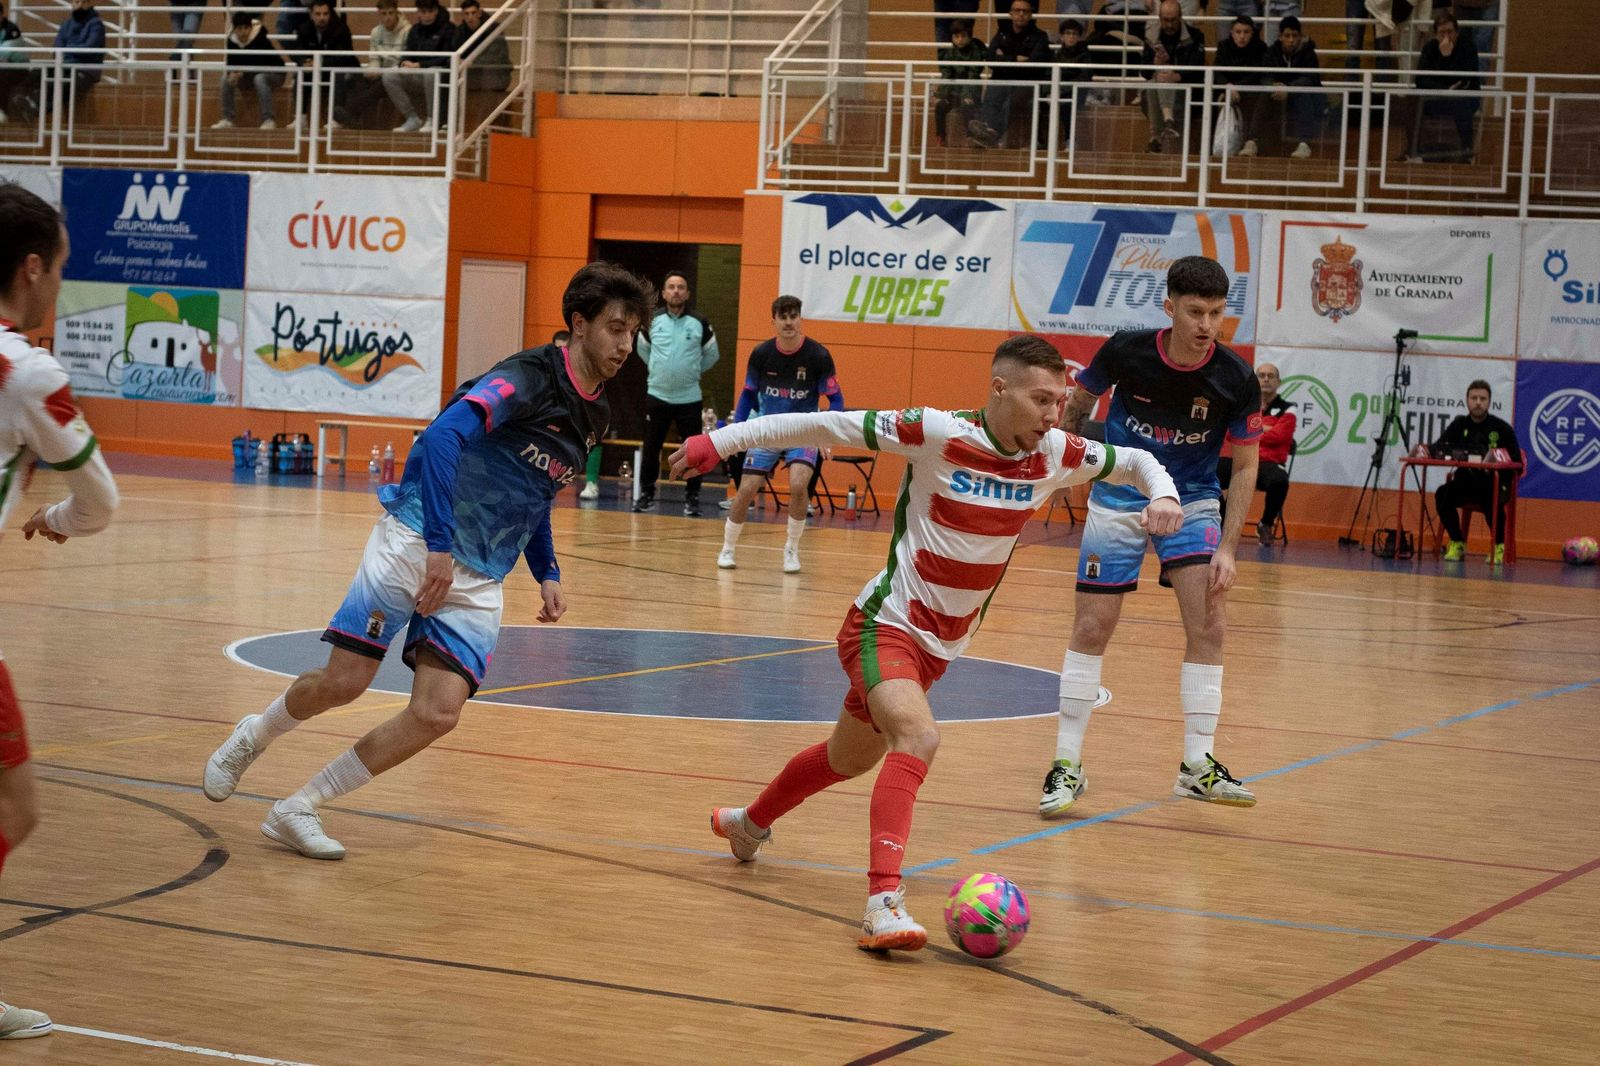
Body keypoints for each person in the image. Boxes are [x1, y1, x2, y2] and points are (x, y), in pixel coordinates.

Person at [668, 336, 1181, 951]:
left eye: (1060, 401)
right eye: (1041, 399)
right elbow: (821, 424)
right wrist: (719, 441)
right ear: (999, 390)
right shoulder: (935, 432)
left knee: (846, 759)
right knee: (918, 737)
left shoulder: (1055, 453)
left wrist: (1165, 494)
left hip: (939, 650)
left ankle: (748, 825)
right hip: (885, 625)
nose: (1054, 414)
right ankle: (882, 904)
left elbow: (1137, 461)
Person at [201, 263, 655, 859]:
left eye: (633, 333)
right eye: (616, 329)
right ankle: (254, 734)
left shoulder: (597, 413)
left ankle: (299, 807)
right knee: (344, 682)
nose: (625, 344)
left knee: (438, 713)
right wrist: (438, 546)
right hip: (418, 539)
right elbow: (442, 437)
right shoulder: (526, 378)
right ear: (579, 324)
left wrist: (546, 571)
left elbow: (535, 493)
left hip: (481, 571)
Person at [1040, 255, 1264, 819]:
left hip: (1192, 500)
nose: (1206, 324)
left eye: (1216, 313)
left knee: (1210, 624)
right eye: (1195, 312)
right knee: (1091, 627)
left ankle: (1197, 766)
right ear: (1169, 307)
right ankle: (1067, 763)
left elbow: (1245, 465)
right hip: (1120, 494)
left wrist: (1229, 547)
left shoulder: (1236, 378)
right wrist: (1063, 469)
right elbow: (1080, 403)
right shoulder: (1127, 350)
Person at [0, 183, 121, 1039]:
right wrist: (60, 519)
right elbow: (101, 501)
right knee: (15, 810)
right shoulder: (26, 371)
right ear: (33, 268)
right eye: (63, 270)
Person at [716, 295, 841, 574]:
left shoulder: (818, 356)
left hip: (804, 431)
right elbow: (748, 395)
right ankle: (727, 547)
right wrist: (738, 430)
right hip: (768, 430)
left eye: (793, 316)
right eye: (782, 317)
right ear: (773, 321)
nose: (788, 322)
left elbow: (836, 400)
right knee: (746, 489)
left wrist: (826, 435)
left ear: (800, 319)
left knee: (798, 485)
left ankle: (792, 549)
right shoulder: (761, 354)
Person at [631, 271, 720, 517]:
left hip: (689, 398)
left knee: (695, 450)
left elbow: (712, 355)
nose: (676, 291)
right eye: (671, 287)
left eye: (681, 287)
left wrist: (691, 372)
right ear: (663, 293)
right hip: (657, 395)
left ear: (687, 293)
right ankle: (646, 495)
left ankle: (692, 498)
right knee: (651, 447)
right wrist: (659, 370)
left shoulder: (699, 322)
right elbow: (643, 349)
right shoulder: (652, 321)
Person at [1428, 379, 1520, 564]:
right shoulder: (1459, 424)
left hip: (1494, 483)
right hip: (1466, 483)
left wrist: (1497, 466)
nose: (1478, 402)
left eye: (1483, 399)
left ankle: (1499, 546)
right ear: (1467, 400)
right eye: (1474, 398)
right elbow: (1438, 447)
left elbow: (1517, 463)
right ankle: (1457, 541)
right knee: (1442, 494)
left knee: (1491, 498)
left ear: (1489, 402)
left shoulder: (1502, 428)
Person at [1217, 361, 1293, 545]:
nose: (1266, 379)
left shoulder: (1288, 408)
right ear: (1255, 380)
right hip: (1242, 461)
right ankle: (1223, 522)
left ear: (1278, 382)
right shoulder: (1245, 405)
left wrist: (1251, 429)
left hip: (1268, 464)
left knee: (1280, 480)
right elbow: (1230, 433)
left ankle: (1265, 524)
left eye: (1270, 376)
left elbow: (1281, 436)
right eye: (1261, 375)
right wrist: (1266, 428)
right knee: (1210, 470)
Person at [1395, 12, 1480, 164]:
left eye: (1450, 32)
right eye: (1442, 33)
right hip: (1437, 96)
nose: (1446, 36)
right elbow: (1420, 79)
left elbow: (1466, 79)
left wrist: (1448, 56)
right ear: (1435, 34)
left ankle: (1467, 152)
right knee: (1412, 100)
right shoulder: (1430, 48)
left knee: (1462, 102)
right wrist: (1444, 89)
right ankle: (1412, 151)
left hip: (1462, 96)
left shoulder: (1467, 47)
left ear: (1457, 32)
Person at [965, 0, 1051, 149]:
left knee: (1011, 102)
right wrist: (1015, 59)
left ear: (1031, 14)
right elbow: (990, 59)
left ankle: (991, 133)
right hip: (1002, 80)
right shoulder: (1002, 34)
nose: (1021, 14)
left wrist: (1004, 59)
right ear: (1011, 13)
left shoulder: (1040, 36)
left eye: (1025, 11)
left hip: (1027, 83)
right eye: (1017, 10)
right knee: (992, 96)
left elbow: (1034, 65)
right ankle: (986, 130)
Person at [1239, 14, 1321, 159]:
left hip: (1301, 95)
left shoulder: (1309, 53)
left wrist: (1288, 88)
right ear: (1280, 37)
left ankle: (1304, 144)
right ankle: (1252, 142)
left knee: (1304, 94)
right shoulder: (1272, 52)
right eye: (1287, 36)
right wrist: (1273, 85)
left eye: (1294, 36)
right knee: (1264, 94)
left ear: (1300, 36)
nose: (1291, 40)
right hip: (1277, 96)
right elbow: (1264, 76)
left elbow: (1310, 79)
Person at [1141, 0, 1205, 155]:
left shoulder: (1195, 36)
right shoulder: (1151, 36)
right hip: (1158, 93)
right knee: (1156, 80)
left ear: (1181, 17)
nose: (1169, 25)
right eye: (1165, 20)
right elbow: (1145, 72)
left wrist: (1177, 76)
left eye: (1173, 20)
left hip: (1189, 92)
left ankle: (1156, 136)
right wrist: (1156, 64)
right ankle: (1167, 120)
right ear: (1159, 18)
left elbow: (1198, 69)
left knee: (1160, 79)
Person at [334, 0, 410, 129]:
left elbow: (404, 59)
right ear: (379, 14)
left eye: (390, 13)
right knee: (355, 78)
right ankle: (353, 118)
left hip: (399, 74)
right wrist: (373, 68)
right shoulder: (376, 32)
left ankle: (349, 111)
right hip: (381, 72)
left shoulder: (407, 31)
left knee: (384, 81)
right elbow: (374, 58)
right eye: (384, 13)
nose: (387, 17)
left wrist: (383, 72)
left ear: (397, 12)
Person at [214, 11, 286, 130]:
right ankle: (227, 119)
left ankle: (268, 119)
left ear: (250, 28)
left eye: (246, 28)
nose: (243, 32)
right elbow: (231, 63)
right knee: (225, 79)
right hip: (248, 77)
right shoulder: (231, 41)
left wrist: (242, 73)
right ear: (234, 29)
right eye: (239, 29)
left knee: (260, 78)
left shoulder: (260, 37)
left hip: (274, 74)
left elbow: (263, 64)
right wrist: (231, 74)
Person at [292, 0, 359, 129]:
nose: (322, 18)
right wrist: (304, 62)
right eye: (318, 14)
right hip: (317, 70)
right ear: (311, 15)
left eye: (325, 14)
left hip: (341, 69)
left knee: (338, 74)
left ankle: (335, 118)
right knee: (300, 73)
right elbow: (297, 52)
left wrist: (318, 63)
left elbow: (344, 56)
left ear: (330, 14)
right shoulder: (303, 29)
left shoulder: (341, 29)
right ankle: (301, 117)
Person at [395, 0, 456, 132]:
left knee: (431, 73)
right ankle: (412, 118)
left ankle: (433, 119)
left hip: (441, 76)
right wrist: (404, 63)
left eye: (430, 11)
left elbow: (446, 58)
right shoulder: (414, 30)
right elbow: (408, 52)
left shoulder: (448, 29)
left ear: (436, 11)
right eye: (423, 12)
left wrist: (420, 65)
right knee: (389, 76)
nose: (427, 15)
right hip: (418, 74)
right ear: (418, 12)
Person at [1213, 14, 1264, 150]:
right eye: (1238, 32)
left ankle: (1250, 142)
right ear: (1232, 32)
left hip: (1249, 90)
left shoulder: (1260, 47)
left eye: (1246, 32)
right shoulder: (1223, 46)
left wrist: (1236, 88)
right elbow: (1217, 71)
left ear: (1252, 33)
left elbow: (1257, 74)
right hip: (1227, 89)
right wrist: (1227, 87)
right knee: (1209, 96)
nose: (1242, 36)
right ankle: (1210, 145)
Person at [933, 19, 986, 147]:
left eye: (963, 36)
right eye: (956, 36)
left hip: (971, 91)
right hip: (954, 92)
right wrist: (940, 95)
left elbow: (972, 76)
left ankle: (971, 136)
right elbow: (947, 75)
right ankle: (941, 136)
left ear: (969, 37)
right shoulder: (950, 53)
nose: (960, 39)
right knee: (940, 106)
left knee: (966, 106)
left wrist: (967, 95)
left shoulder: (976, 52)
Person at [52, 0, 105, 107]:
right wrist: (70, 51)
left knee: (67, 85)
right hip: (65, 66)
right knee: (38, 74)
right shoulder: (66, 24)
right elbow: (57, 48)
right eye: (77, 2)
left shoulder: (96, 24)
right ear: (72, 4)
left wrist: (67, 50)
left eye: (83, 2)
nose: (80, 5)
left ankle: (40, 108)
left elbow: (89, 49)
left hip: (86, 70)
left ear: (89, 4)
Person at [456, 0, 511, 92]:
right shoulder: (460, 31)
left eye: (473, 13)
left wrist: (470, 62)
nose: (470, 17)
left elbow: (495, 56)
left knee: (487, 70)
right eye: (467, 14)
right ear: (462, 15)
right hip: (472, 72)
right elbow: (454, 51)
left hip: (496, 72)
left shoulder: (493, 29)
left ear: (479, 13)